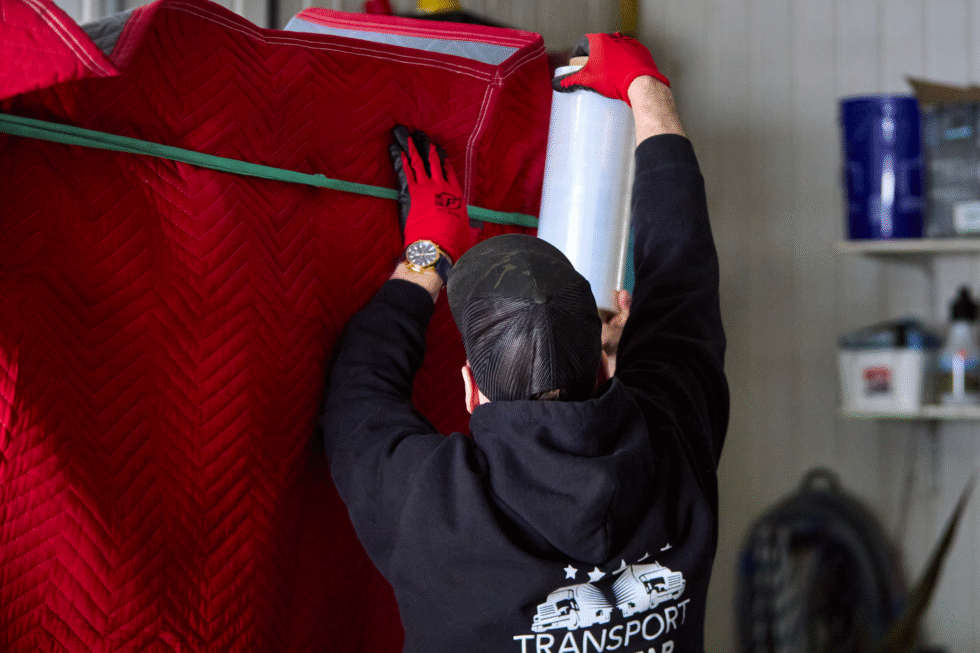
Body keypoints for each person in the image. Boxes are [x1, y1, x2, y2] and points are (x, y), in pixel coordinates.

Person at [321, 32, 728, 653]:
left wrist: (431, 248)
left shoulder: (431, 506)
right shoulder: (675, 438)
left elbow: (356, 384)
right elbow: (684, 273)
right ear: (603, 359)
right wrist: (645, 88)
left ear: (468, 388)